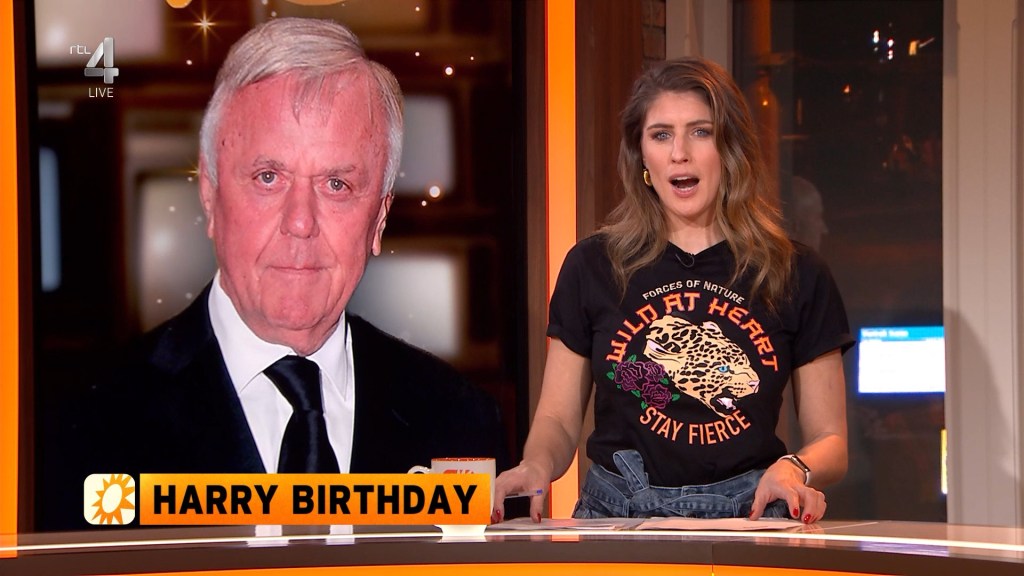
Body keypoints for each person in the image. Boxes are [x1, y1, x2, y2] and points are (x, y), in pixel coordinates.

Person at [44, 17, 504, 530]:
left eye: (336, 184)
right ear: (210, 195)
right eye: (268, 177)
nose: (300, 222)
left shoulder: (461, 423)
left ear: (379, 218)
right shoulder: (81, 427)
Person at [493, 58, 853, 525]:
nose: (679, 153)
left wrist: (794, 468)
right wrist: (536, 466)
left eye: (700, 132)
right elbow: (558, 420)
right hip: (615, 514)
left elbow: (831, 440)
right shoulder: (592, 265)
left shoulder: (795, 271)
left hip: (748, 512)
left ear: (730, 148)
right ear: (641, 155)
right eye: (661, 135)